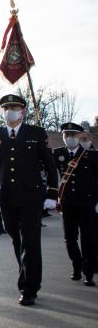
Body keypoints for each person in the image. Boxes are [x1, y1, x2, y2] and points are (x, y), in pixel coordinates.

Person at [0, 94, 59, 306]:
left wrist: (51, 194)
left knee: (30, 242)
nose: (10, 110)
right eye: (6, 107)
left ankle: (29, 287)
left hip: (30, 197)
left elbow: (50, 166)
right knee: (16, 240)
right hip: (6, 198)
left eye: (14, 107)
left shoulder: (35, 133)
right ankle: (27, 277)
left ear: (23, 111)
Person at [52, 122, 97, 286]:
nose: (69, 138)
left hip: (86, 204)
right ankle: (76, 266)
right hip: (67, 204)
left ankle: (89, 272)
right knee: (69, 239)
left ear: (79, 137)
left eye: (73, 135)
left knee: (88, 239)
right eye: (66, 135)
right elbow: (49, 171)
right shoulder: (57, 154)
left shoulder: (91, 156)